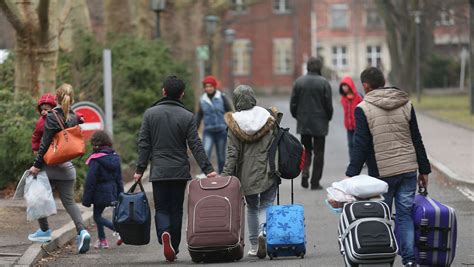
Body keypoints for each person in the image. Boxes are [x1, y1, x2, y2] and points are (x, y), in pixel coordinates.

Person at [345, 67, 430, 267]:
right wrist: (424, 169)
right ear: (383, 81)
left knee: (381, 218)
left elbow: (361, 145)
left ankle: (384, 259)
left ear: (365, 86)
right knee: (404, 216)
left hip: (382, 173)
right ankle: (409, 261)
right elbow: (416, 137)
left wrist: (351, 175)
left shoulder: (363, 108)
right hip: (408, 168)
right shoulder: (405, 103)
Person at [133, 75, 217, 262]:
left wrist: (140, 169)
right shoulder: (187, 116)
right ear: (182, 94)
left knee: (161, 208)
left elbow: (144, 143)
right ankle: (175, 247)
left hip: (159, 170)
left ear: (163, 92)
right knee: (176, 209)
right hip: (179, 170)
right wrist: (208, 168)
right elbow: (195, 144)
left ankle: (164, 234)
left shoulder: (150, 114)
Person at [29, 83, 91, 254]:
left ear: (56, 98)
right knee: (70, 203)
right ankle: (83, 231)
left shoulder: (51, 117)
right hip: (67, 168)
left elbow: (45, 143)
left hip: (49, 167)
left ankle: (44, 231)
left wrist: (36, 166)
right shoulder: (73, 116)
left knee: (37, 197)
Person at [222, 85, 279, 259]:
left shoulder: (234, 123)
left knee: (253, 207)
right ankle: (264, 233)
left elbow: (232, 153)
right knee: (267, 204)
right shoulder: (268, 116)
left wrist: (225, 177)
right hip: (269, 168)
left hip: (246, 173)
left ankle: (254, 245)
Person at [290, 57, 333, 190]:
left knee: (306, 150)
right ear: (319, 67)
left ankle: (305, 172)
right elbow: (328, 105)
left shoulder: (299, 82)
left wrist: (298, 117)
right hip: (320, 122)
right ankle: (315, 182)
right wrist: (327, 118)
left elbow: (293, 104)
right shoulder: (324, 83)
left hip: (304, 122)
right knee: (319, 153)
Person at [82, 130, 124, 249]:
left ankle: (118, 230)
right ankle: (102, 241)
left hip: (99, 192)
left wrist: (86, 199)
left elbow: (90, 181)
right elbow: (119, 179)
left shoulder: (95, 159)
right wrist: (120, 195)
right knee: (97, 215)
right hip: (112, 191)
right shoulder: (114, 157)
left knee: (97, 216)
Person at [195, 75, 233, 175]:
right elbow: (199, 115)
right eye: (206, 86)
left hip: (221, 130)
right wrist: (195, 129)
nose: (209, 88)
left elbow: (229, 111)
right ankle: (204, 173)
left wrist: (231, 127)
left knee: (221, 155)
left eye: (210, 86)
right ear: (204, 88)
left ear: (214, 86)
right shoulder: (202, 99)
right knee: (206, 151)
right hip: (208, 130)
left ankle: (222, 173)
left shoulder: (221, 97)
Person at [339, 76, 363, 162]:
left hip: (357, 125)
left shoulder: (358, 97)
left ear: (350, 86)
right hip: (348, 126)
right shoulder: (343, 99)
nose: (344, 88)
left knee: (356, 143)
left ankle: (360, 160)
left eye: (345, 86)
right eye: (342, 86)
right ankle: (352, 161)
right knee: (350, 144)